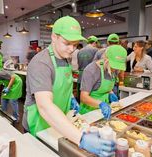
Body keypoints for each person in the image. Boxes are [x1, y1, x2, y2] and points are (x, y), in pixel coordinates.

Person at [22, 16, 115, 156]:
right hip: (39, 126)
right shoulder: (41, 63)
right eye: (67, 43)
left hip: (59, 122)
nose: (72, 49)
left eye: (76, 44)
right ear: (54, 37)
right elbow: (45, 107)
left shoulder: (65, 58)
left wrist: (70, 97)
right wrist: (81, 139)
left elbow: (62, 83)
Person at [79, 45, 127, 116]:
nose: (115, 69)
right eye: (113, 65)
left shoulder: (115, 70)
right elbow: (83, 97)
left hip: (105, 110)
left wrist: (111, 93)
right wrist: (101, 104)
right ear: (106, 58)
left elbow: (105, 85)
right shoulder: (91, 70)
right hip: (89, 111)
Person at [77, 36, 99, 101]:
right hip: (90, 77)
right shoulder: (96, 50)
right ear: (95, 42)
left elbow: (78, 64)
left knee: (80, 97)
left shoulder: (80, 51)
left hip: (80, 76)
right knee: (88, 98)